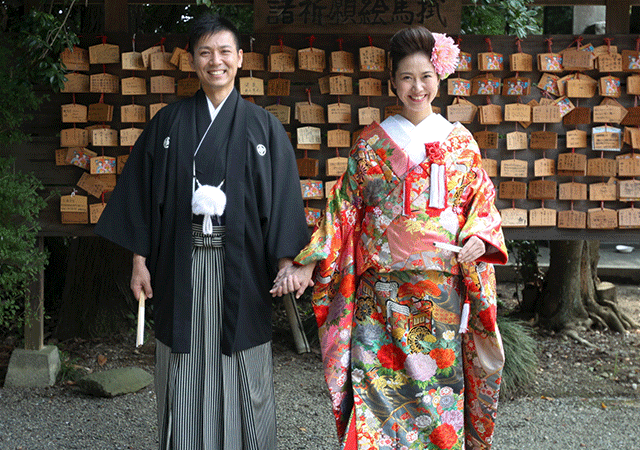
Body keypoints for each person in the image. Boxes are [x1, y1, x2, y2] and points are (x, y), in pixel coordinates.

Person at [271, 27, 508, 450]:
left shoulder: (461, 144)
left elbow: (482, 203)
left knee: (438, 398)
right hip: (379, 297)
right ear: (392, 83)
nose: (417, 87)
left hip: (441, 298)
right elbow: (343, 210)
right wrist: (309, 260)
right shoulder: (371, 144)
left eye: (425, 77)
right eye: (406, 78)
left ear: (440, 77)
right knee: (377, 393)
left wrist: (479, 237)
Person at [95, 14, 309, 450]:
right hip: (180, 264)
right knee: (184, 363)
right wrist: (139, 260)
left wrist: (287, 261)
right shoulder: (169, 124)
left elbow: (284, 198)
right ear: (192, 60)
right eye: (206, 53)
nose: (216, 62)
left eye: (225, 52)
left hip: (244, 268)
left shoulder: (263, 127)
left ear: (240, 59)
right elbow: (140, 195)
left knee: (243, 361)